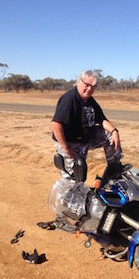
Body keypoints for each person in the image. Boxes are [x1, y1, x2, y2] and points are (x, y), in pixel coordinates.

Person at [45, 70, 124, 232]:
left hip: (85, 139)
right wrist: (65, 148)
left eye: (93, 86)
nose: (89, 89)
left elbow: (101, 120)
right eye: (86, 85)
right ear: (79, 81)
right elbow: (56, 124)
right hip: (70, 144)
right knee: (73, 180)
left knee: (109, 134)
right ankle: (62, 217)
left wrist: (115, 131)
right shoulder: (70, 99)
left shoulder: (90, 101)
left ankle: (114, 168)